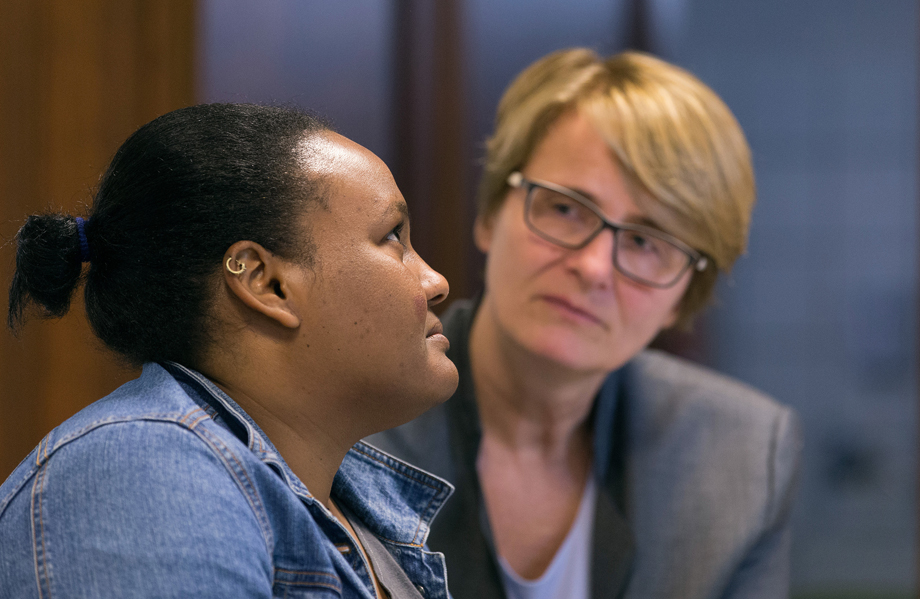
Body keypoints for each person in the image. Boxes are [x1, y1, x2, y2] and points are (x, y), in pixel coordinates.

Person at [367, 49, 802, 599]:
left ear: (681, 298)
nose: (593, 267)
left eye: (646, 242)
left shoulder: (740, 455)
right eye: (566, 208)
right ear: (490, 214)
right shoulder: (350, 417)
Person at [0, 103, 459, 598]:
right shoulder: (145, 472)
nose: (437, 283)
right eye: (393, 237)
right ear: (266, 284)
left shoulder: (350, 514)